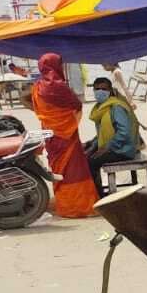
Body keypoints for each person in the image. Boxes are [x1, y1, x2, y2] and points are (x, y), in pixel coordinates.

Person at [30, 52, 98, 218]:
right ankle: (80, 206)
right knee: (75, 170)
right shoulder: (60, 87)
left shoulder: (37, 88)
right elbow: (76, 105)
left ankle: (66, 205)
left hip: (51, 138)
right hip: (67, 137)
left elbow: (37, 109)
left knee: (59, 171)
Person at [84, 74, 143, 189]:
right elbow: (104, 133)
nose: (100, 91)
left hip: (123, 150)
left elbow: (124, 132)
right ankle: (94, 192)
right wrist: (91, 143)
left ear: (110, 91)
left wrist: (107, 147)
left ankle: (99, 195)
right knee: (85, 156)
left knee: (91, 162)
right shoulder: (102, 107)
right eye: (97, 89)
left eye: (104, 89)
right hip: (115, 146)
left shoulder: (116, 107)